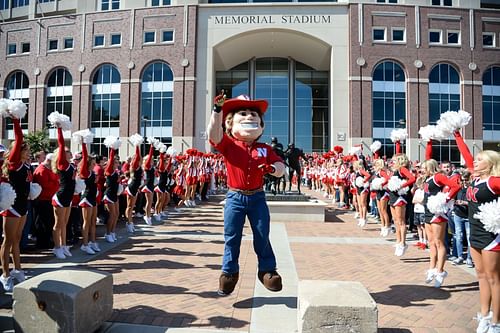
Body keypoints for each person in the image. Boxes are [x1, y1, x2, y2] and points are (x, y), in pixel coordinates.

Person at [207, 93, 286, 296]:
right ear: (231, 123)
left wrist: (272, 169)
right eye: (243, 113)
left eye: (253, 114)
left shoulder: (264, 148)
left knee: (262, 234)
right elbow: (214, 135)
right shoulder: (229, 144)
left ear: (261, 124)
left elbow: (280, 166)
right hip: (235, 197)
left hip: (258, 197)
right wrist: (217, 111)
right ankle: (229, 273)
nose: (249, 116)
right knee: (232, 236)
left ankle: (267, 270)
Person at [454, 131, 500, 333]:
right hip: (475, 233)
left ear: (489, 165)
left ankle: (496, 322)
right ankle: (484, 314)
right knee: (480, 275)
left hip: (491, 236)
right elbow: (465, 154)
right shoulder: (475, 179)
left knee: (494, 278)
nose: (475, 162)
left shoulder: (493, 182)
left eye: (480, 160)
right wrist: (456, 134)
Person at [0, 112, 31, 291]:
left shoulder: (26, 165)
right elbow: (18, 136)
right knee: (8, 240)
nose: (28, 152)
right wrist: (16, 119)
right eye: (25, 149)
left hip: (23, 206)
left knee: (17, 239)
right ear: (18, 151)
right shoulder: (13, 163)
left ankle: (18, 269)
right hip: (12, 207)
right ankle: (5, 275)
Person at [33, 153, 58, 249]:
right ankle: (42, 242)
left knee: (48, 222)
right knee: (42, 222)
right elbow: (45, 186)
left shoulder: (48, 170)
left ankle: (47, 240)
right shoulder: (42, 170)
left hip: (48, 199)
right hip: (42, 200)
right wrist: (56, 184)